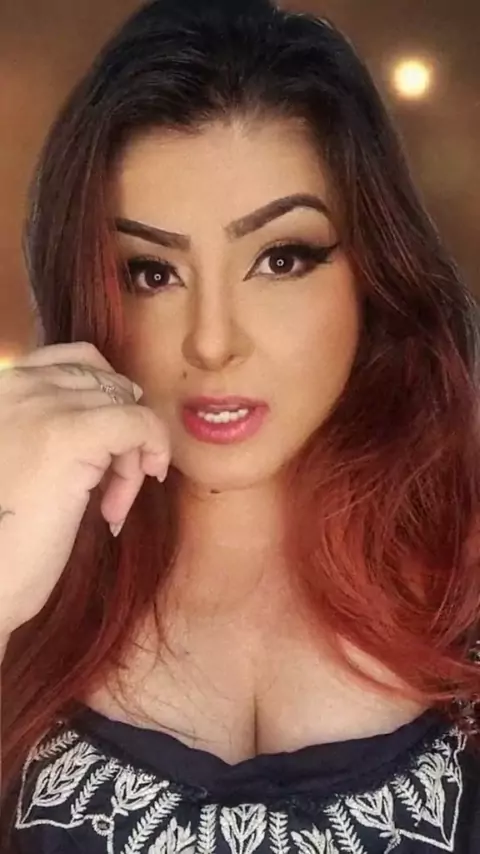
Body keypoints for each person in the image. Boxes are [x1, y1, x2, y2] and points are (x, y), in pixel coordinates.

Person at [1, 0, 480, 850]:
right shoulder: (24, 582)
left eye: (281, 259)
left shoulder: (465, 586)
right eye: (151, 273)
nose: (213, 342)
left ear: (373, 271)